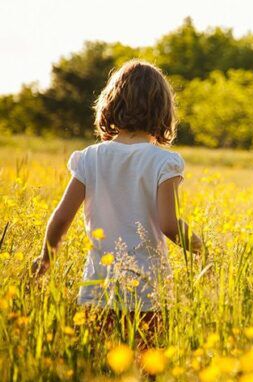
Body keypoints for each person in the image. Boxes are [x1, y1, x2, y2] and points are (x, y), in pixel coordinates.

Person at [31, 60, 203, 340]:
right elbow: (169, 224)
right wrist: (200, 248)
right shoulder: (164, 162)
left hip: (98, 285)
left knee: (99, 364)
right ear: (163, 110)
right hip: (147, 288)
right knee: (145, 367)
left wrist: (45, 259)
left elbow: (61, 217)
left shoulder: (90, 158)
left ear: (111, 105)